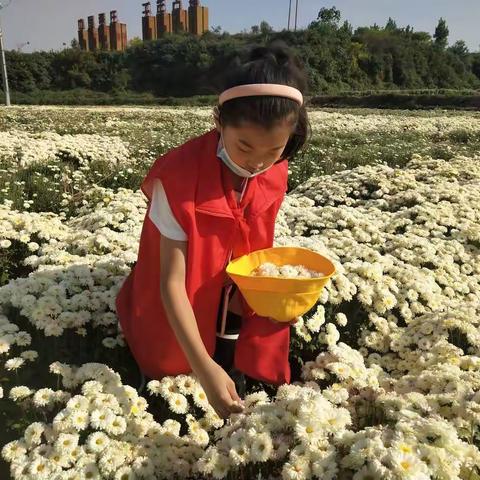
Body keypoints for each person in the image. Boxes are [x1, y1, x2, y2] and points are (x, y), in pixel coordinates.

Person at [115, 40, 311, 419]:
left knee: (234, 360)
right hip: (180, 304)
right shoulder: (177, 178)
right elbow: (171, 283)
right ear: (218, 121)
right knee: (174, 378)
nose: (256, 164)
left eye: (273, 151)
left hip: (232, 303)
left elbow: (255, 240)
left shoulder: (276, 168)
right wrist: (203, 368)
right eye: (244, 147)